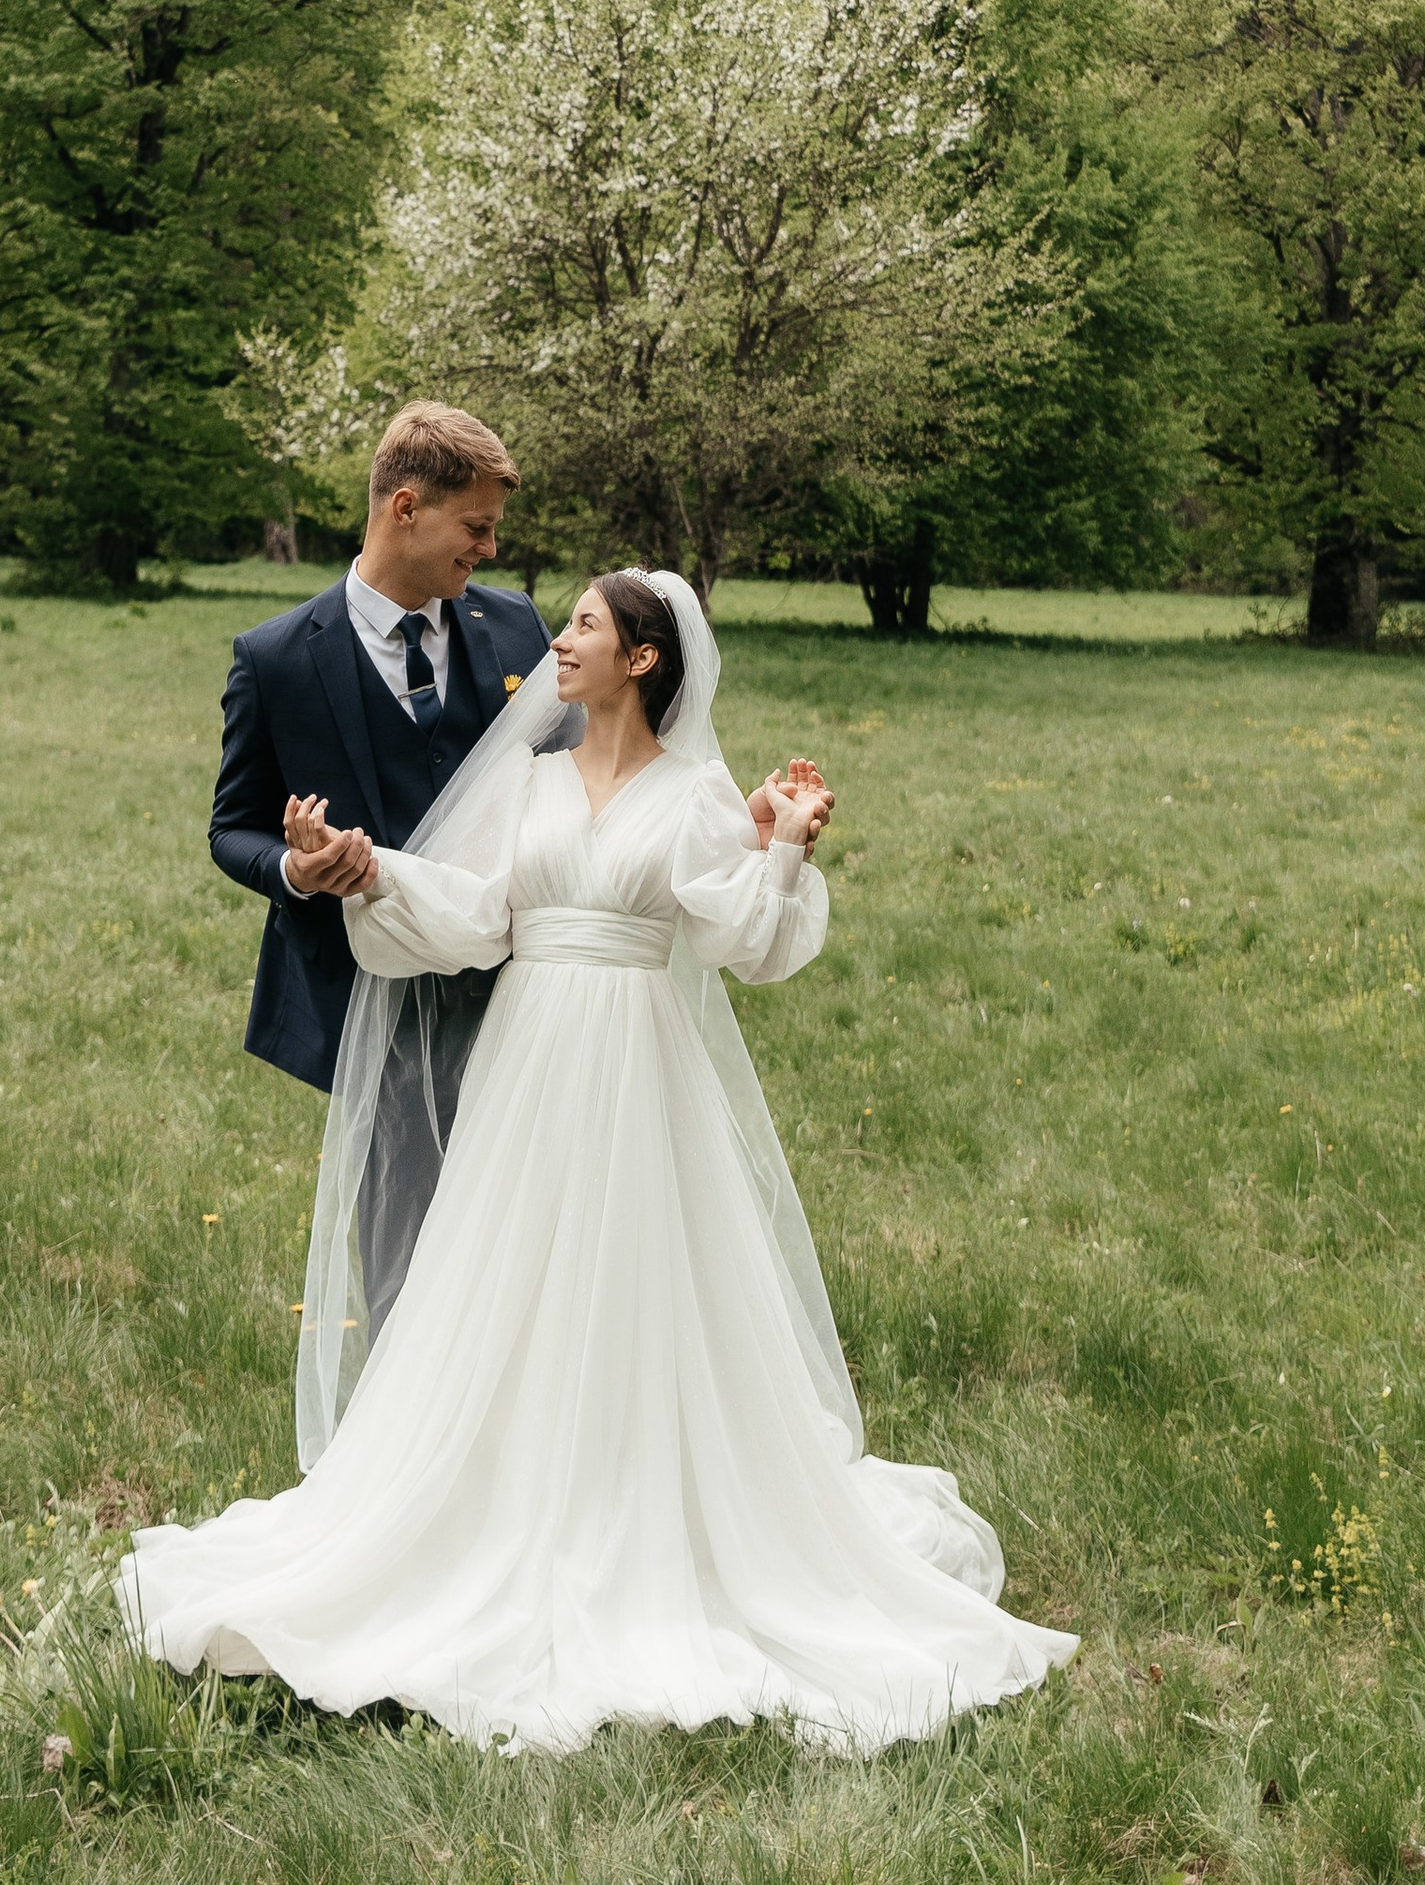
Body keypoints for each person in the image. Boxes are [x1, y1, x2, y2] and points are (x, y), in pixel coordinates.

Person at [127, 567, 1074, 1754]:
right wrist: (371, 869)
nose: (555, 640)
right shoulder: (522, 783)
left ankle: (648, 1510)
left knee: (640, 1283)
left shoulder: (693, 793)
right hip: (527, 1068)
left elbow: (745, 941)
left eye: (583, 625)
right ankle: (491, 1510)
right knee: (507, 1283)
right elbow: (473, 914)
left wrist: (779, 848)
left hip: (639, 1066)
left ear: (641, 659)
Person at [207, 404, 551, 1311]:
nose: (486, 550)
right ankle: (412, 1432)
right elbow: (230, 827)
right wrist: (295, 870)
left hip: (515, 976)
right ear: (406, 507)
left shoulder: (516, 628)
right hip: (370, 993)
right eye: (474, 527)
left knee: (526, 1222)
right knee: (403, 1229)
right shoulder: (276, 659)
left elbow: (582, 779)